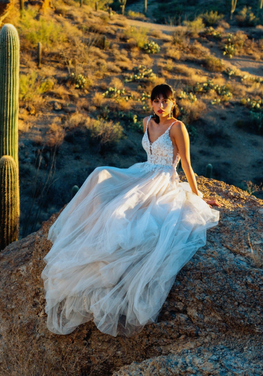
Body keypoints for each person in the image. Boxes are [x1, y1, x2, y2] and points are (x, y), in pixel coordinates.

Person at [41, 84, 220, 337]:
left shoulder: (177, 127)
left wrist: (198, 195)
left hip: (162, 180)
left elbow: (187, 164)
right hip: (142, 172)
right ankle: (91, 236)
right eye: (156, 101)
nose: (160, 105)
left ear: (172, 103)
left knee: (120, 213)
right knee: (99, 174)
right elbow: (148, 155)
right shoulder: (146, 121)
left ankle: (102, 250)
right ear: (151, 104)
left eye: (165, 101)